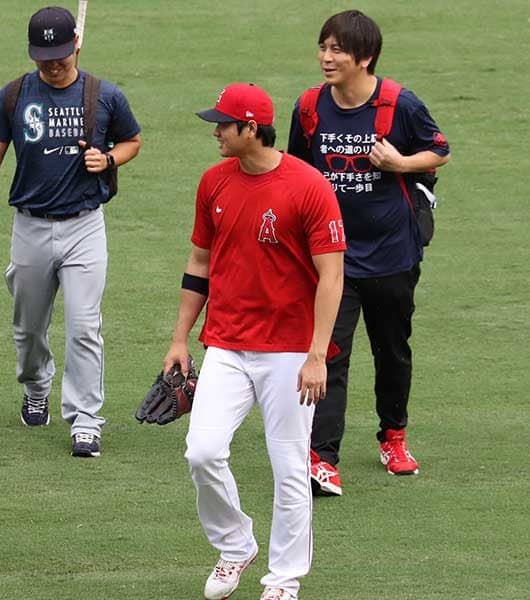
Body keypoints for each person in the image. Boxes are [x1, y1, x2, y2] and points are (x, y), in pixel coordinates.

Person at [163, 83, 346, 600]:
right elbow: (199, 262)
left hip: (290, 352)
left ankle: (283, 580)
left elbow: (331, 276)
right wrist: (180, 338)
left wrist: (316, 355)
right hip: (227, 343)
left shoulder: (308, 187)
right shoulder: (214, 183)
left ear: (251, 129)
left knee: (289, 467)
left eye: (223, 124)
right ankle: (235, 544)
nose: (216, 132)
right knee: (201, 451)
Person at [0, 6, 141, 457]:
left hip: (84, 226)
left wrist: (109, 159)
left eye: (60, 56)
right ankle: (36, 385)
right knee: (29, 327)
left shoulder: (104, 95)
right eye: (44, 58)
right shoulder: (15, 95)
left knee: (84, 326)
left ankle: (85, 419)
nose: (53, 66)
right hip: (30, 226)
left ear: (75, 44)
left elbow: (132, 140)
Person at [287, 10, 451, 496]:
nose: (326, 58)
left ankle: (393, 437)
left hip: (393, 254)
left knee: (392, 351)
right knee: (329, 354)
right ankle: (322, 458)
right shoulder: (309, 106)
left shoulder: (400, 103)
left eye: (337, 50)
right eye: (323, 47)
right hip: (330, 257)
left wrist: (400, 162)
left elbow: (439, 150)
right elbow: (295, 170)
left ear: (366, 57)